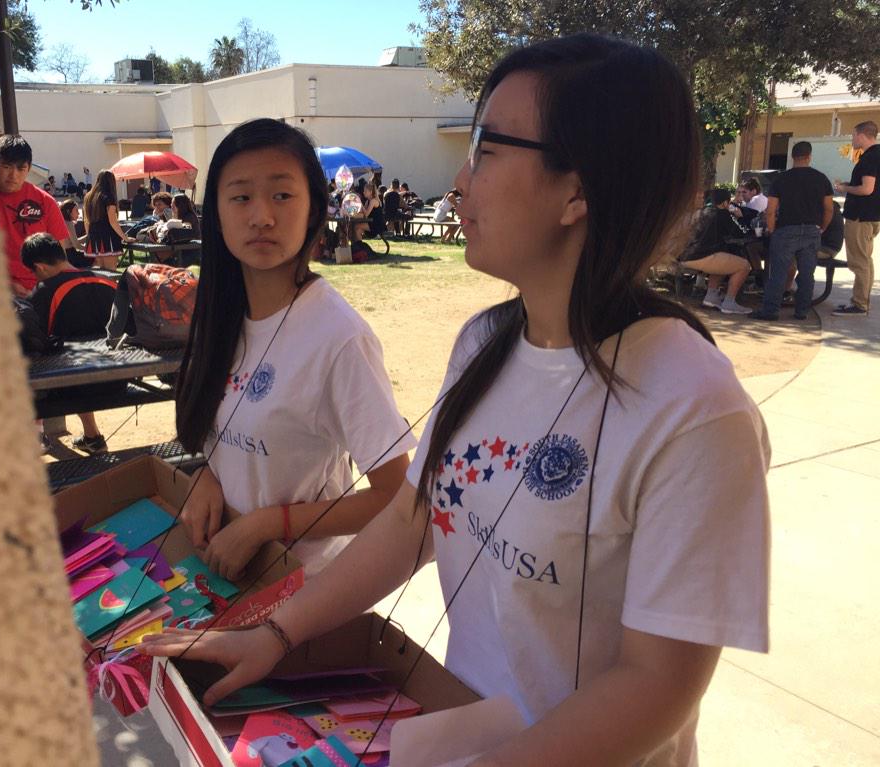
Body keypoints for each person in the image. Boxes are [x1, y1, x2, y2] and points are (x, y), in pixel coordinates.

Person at [142, 35, 770, 766]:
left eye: (487, 148)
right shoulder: (486, 343)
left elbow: (658, 686)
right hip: (458, 724)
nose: (460, 182)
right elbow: (411, 520)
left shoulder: (693, 409)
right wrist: (276, 632)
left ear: (579, 188)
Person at [172, 118, 416, 581]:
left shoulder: (340, 338)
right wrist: (207, 474)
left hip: (304, 590)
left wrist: (270, 524)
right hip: (226, 572)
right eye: (241, 196)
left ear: (313, 210)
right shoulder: (220, 317)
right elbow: (223, 436)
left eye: (282, 195)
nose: (261, 216)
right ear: (216, 212)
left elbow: (395, 495)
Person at [21, 232, 115, 454]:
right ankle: (92, 436)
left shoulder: (44, 291)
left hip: (68, 386)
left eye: (33, 271)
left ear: (40, 267)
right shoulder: (105, 279)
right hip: (119, 380)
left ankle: (35, 435)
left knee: (32, 361)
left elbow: (34, 341)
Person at [751, 141, 833, 321]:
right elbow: (828, 208)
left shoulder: (781, 179)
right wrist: (823, 227)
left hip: (786, 230)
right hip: (812, 230)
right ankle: (801, 311)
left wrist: (771, 229)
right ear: (809, 156)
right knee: (807, 274)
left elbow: (771, 209)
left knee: (778, 273)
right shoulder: (821, 178)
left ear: (792, 157)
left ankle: (770, 311)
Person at [0, 134, 71, 297]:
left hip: (40, 294)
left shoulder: (46, 202)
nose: (13, 175)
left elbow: (59, 258)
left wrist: (44, 291)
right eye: (7, 166)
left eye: (21, 168)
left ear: (29, 168)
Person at [832, 120, 879, 316]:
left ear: (861, 135)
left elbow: (867, 189)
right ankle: (861, 300)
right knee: (865, 260)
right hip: (872, 215)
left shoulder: (869, 158)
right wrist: (850, 184)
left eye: (853, 135)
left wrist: (844, 188)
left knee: (858, 261)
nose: (852, 139)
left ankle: (859, 303)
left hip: (860, 217)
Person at [681, 188, 754, 314]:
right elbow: (741, 233)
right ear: (725, 203)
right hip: (703, 256)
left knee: (725, 261)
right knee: (745, 266)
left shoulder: (702, 212)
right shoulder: (723, 214)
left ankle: (711, 297)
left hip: (686, 255)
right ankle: (729, 303)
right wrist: (739, 217)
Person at [82, 169, 132, 271]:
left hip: (93, 237)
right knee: (110, 271)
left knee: (101, 273)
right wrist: (125, 238)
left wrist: (90, 237)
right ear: (111, 182)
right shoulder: (108, 197)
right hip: (108, 238)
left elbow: (86, 220)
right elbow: (113, 221)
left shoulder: (88, 197)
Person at [59, 198, 89, 268]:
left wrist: (87, 236)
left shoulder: (63, 221)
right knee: (96, 258)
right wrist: (90, 250)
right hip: (71, 255)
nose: (78, 213)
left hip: (65, 255)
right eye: (76, 210)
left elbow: (72, 241)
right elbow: (76, 245)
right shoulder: (69, 223)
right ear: (68, 211)